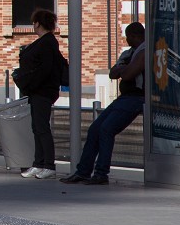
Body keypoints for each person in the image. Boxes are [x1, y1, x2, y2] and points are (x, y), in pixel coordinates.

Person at [62, 23, 147, 186]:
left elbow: (128, 74)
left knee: (106, 129)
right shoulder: (128, 53)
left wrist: (124, 69)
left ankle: (101, 173)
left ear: (135, 36)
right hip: (124, 97)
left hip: (137, 97)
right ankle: (83, 172)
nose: (127, 40)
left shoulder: (144, 51)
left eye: (128, 36)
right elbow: (112, 73)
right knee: (95, 128)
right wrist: (124, 69)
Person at [15, 8, 63, 180]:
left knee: (42, 127)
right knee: (37, 127)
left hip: (42, 90)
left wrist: (30, 82)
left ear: (38, 23)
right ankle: (39, 163)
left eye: (34, 22)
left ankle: (48, 164)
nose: (33, 25)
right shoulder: (45, 41)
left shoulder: (47, 42)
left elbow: (45, 68)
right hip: (37, 90)